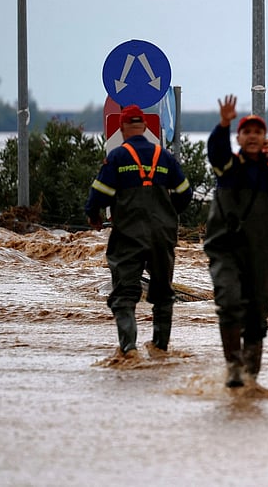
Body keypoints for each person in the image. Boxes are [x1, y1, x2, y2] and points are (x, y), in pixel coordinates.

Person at [203, 95, 268, 388]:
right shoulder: (228, 167)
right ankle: (234, 366)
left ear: (265, 139)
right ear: (239, 137)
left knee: (258, 312)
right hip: (226, 249)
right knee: (229, 301)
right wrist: (223, 123)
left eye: (257, 132)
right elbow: (215, 150)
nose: (251, 137)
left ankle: (252, 376)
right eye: (246, 132)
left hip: (261, 253)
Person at [85, 104, 193, 360]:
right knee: (163, 295)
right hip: (162, 235)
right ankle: (160, 349)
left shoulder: (118, 158)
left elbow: (99, 194)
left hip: (128, 234)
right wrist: (169, 214)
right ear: (144, 127)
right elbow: (185, 193)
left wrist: (94, 216)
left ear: (122, 129)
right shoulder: (165, 157)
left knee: (125, 293)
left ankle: (129, 350)